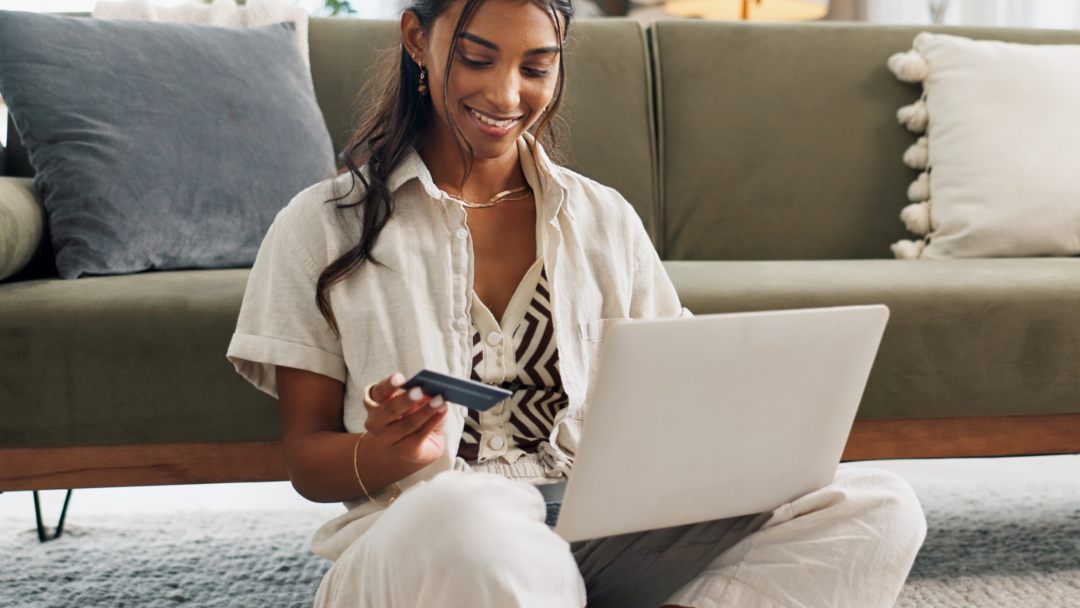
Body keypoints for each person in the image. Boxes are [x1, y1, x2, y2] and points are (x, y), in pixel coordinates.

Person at [227, 0, 927, 606]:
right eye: (477, 59)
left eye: (536, 67)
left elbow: (678, 400)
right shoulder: (322, 223)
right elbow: (307, 459)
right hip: (436, 538)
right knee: (473, 516)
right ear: (417, 38)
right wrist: (385, 453)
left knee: (880, 508)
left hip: (601, 535)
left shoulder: (604, 220)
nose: (506, 95)